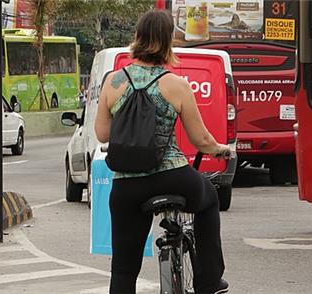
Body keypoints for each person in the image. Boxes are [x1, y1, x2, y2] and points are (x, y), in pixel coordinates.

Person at [94, 10, 231, 294]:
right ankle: (208, 282)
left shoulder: (113, 82)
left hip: (127, 183)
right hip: (172, 175)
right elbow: (201, 139)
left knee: (123, 268)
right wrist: (221, 150)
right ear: (168, 42)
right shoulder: (176, 84)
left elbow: (103, 134)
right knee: (209, 201)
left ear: (137, 38)